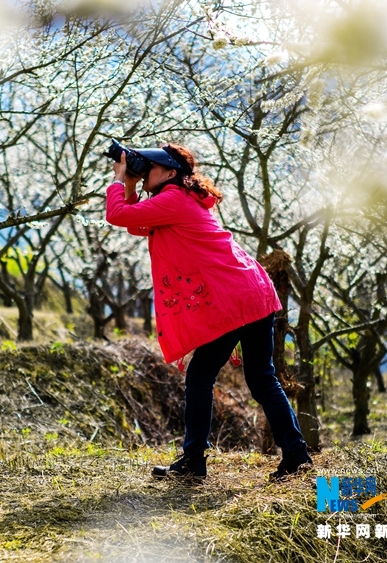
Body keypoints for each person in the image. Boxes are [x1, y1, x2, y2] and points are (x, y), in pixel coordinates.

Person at [105, 142, 312, 481]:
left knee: (201, 376)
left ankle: (193, 462)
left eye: (149, 168)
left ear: (171, 173)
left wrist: (117, 181)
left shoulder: (172, 199)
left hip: (235, 297)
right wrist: (130, 185)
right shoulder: (178, 199)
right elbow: (136, 224)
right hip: (252, 292)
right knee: (262, 379)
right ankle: (296, 454)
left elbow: (119, 215)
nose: (143, 174)